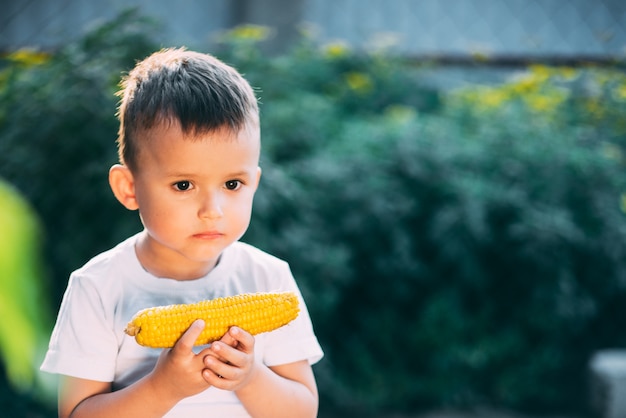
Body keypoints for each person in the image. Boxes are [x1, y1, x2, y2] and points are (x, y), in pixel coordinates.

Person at [40, 47, 323, 418]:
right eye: (184, 185)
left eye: (233, 184)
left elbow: (302, 410)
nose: (212, 211)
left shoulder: (268, 278)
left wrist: (250, 377)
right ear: (129, 188)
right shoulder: (98, 286)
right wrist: (163, 389)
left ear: (254, 182)